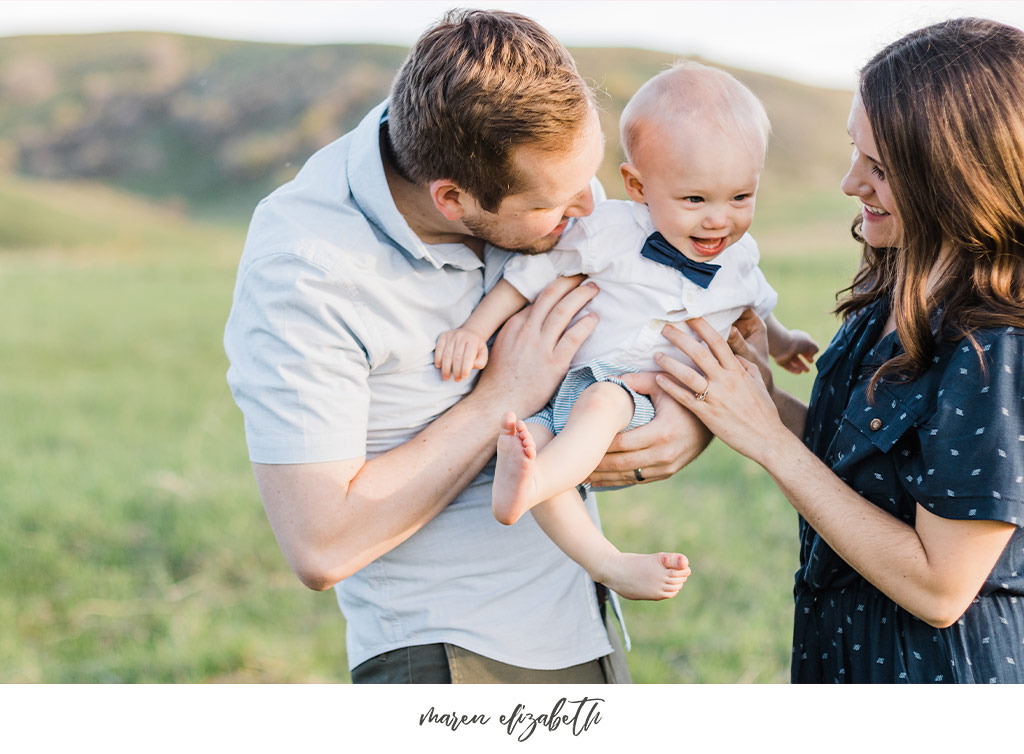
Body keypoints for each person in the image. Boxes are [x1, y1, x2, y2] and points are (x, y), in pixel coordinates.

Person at [223, 9, 710, 684]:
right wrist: (500, 401)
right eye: (558, 204)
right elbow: (320, 542)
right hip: (450, 661)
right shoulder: (309, 269)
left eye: (587, 182)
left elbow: (673, 314)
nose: (590, 211)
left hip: (583, 628)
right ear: (452, 198)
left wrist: (688, 428)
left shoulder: (542, 182)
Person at [652, 17, 1024, 682]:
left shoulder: (995, 342)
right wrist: (761, 400)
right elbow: (855, 462)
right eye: (855, 150)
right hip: (841, 655)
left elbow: (942, 589)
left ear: (957, 178)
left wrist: (767, 439)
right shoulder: (891, 293)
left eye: (880, 168)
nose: (852, 182)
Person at [434, 61, 818, 602]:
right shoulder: (610, 231)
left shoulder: (740, 258)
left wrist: (785, 342)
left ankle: (538, 481)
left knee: (601, 407)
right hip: (568, 385)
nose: (718, 220)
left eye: (740, 198)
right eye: (694, 200)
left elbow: (757, 308)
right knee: (532, 438)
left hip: (635, 392)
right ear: (637, 185)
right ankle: (601, 556)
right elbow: (532, 274)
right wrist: (475, 329)